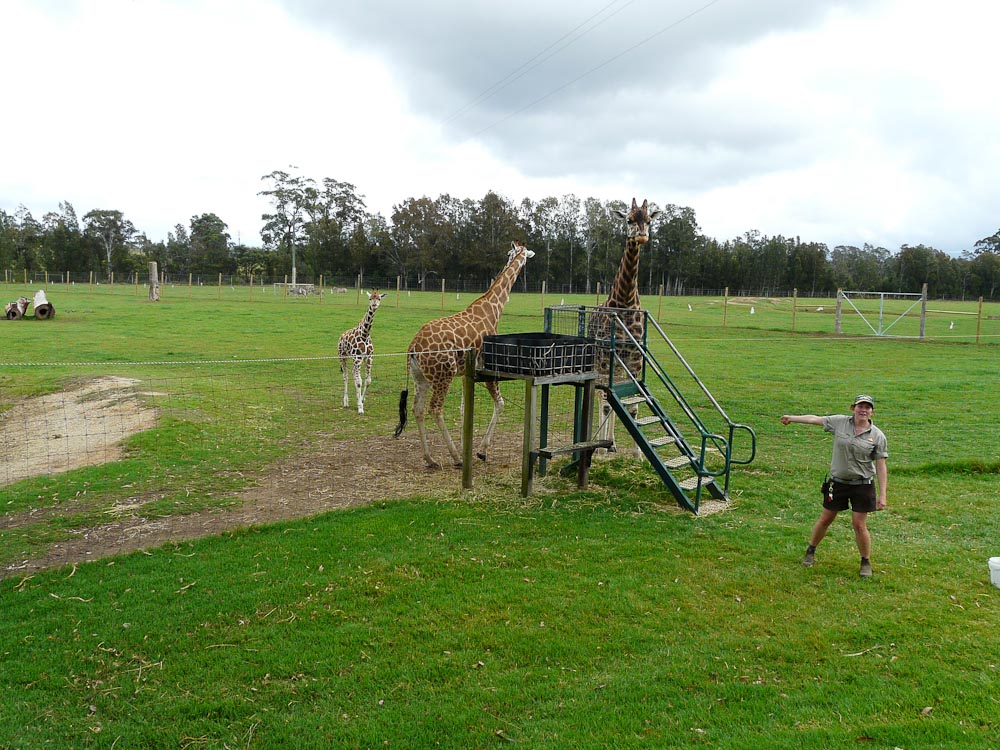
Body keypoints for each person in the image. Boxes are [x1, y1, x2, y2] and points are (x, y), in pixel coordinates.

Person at [781, 395, 888, 578]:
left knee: (859, 524)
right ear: (852, 408)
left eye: (867, 407)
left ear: (872, 412)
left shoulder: (877, 436)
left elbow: (880, 465)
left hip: (862, 485)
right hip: (837, 483)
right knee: (826, 518)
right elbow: (815, 419)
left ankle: (865, 561)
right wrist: (792, 418)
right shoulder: (840, 422)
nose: (863, 410)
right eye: (860, 406)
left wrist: (883, 494)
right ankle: (811, 550)